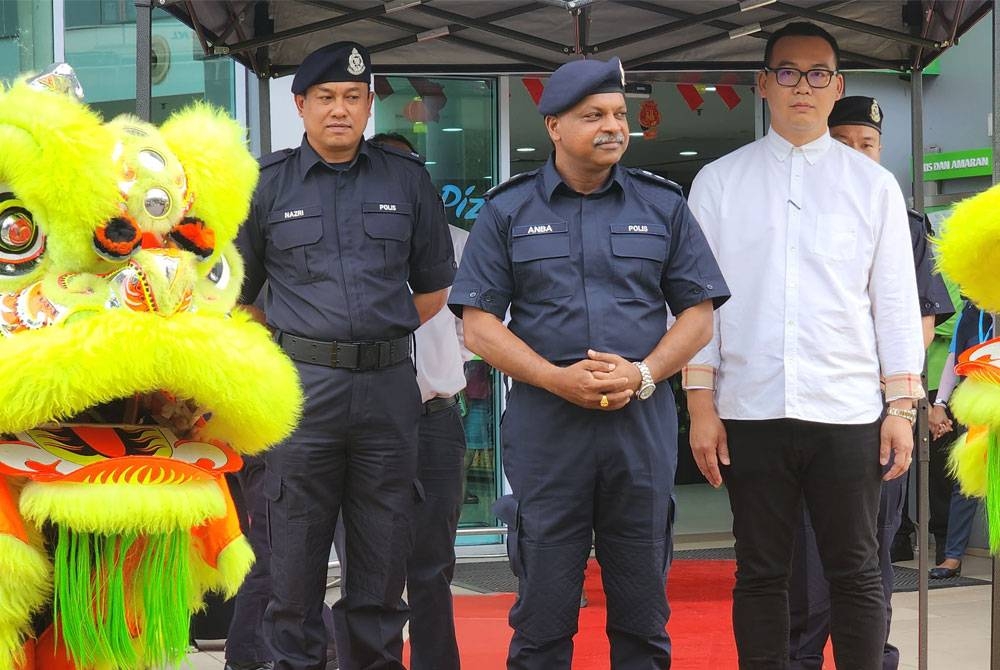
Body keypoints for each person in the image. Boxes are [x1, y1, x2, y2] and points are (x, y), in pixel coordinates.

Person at [450, 56, 729, 669]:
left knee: (643, 619)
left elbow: (699, 314)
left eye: (619, 114)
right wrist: (555, 378)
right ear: (553, 125)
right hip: (548, 431)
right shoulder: (508, 210)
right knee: (543, 620)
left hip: (639, 428)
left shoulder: (662, 205)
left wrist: (644, 373)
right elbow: (478, 325)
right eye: (593, 115)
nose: (613, 126)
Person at [684, 22, 925, 670]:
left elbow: (895, 301)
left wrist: (901, 406)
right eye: (788, 72)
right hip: (751, 408)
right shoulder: (719, 181)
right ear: (763, 84)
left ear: (837, 86)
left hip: (847, 409)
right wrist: (701, 405)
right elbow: (697, 306)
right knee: (761, 571)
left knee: (856, 569)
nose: (803, 86)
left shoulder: (872, 185)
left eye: (819, 74)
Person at [235, 41, 456, 670]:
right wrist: (303, 341)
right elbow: (239, 298)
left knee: (381, 569)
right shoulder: (266, 185)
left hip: (387, 391)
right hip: (302, 393)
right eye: (326, 97)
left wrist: (374, 334)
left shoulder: (406, 181)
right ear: (300, 105)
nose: (340, 109)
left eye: (353, 98)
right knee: (291, 570)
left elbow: (434, 287)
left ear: (367, 106)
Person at [785, 95, 954, 670]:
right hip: (806, 407)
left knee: (872, 543)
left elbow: (922, 319)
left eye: (869, 144)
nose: (858, 154)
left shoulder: (904, 223)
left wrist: (893, 395)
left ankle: (870, 656)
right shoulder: (792, 215)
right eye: (844, 143)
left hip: (880, 408)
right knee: (805, 547)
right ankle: (802, 656)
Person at [328, 131, 469, 670]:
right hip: (357, 421)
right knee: (363, 568)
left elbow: (474, 333)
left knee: (432, 566)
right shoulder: (340, 243)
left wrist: (440, 370)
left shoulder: (458, 244)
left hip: (433, 419)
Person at [928, 298, 992, 579]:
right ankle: (953, 556)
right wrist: (940, 403)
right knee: (966, 480)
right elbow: (955, 358)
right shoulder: (969, 311)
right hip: (975, 407)